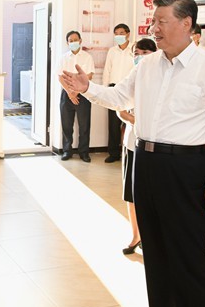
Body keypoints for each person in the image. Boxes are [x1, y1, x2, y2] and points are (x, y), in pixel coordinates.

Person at [60, 0, 205, 307]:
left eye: (161, 22)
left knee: (191, 261)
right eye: (153, 22)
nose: (153, 28)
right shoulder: (148, 65)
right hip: (148, 162)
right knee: (155, 252)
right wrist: (88, 87)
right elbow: (118, 97)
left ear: (186, 24)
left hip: (188, 169)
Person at [119, 37, 157, 255]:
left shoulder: (161, 80)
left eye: (144, 53)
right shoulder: (131, 78)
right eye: (136, 53)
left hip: (154, 148)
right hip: (132, 143)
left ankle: (151, 237)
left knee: (151, 196)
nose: (139, 57)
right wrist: (136, 120)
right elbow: (120, 109)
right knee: (131, 194)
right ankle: (136, 236)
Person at [58, 30, 94, 162]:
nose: (73, 42)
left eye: (75, 40)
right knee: (67, 124)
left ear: (80, 41)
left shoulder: (87, 57)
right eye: (70, 41)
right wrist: (70, 92)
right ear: (67, 43)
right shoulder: (63, 58)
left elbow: (89, 76)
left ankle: (84, 152)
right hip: (66, 93)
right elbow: (60, 77)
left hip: (83, 93)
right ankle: (67, 151)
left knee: (84, 125)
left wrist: (76, 92)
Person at [101, 23, 133, 163]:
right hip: (114, 89)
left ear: (128, 34)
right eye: (116, 34)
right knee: (113, 124)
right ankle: (113, 153)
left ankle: (128, 151)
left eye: (121, 33)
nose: (119, 36)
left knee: (129, 122)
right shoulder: (112, 51)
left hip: (129, 88)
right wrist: (105, 90)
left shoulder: (134, 48)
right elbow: (107, 70)